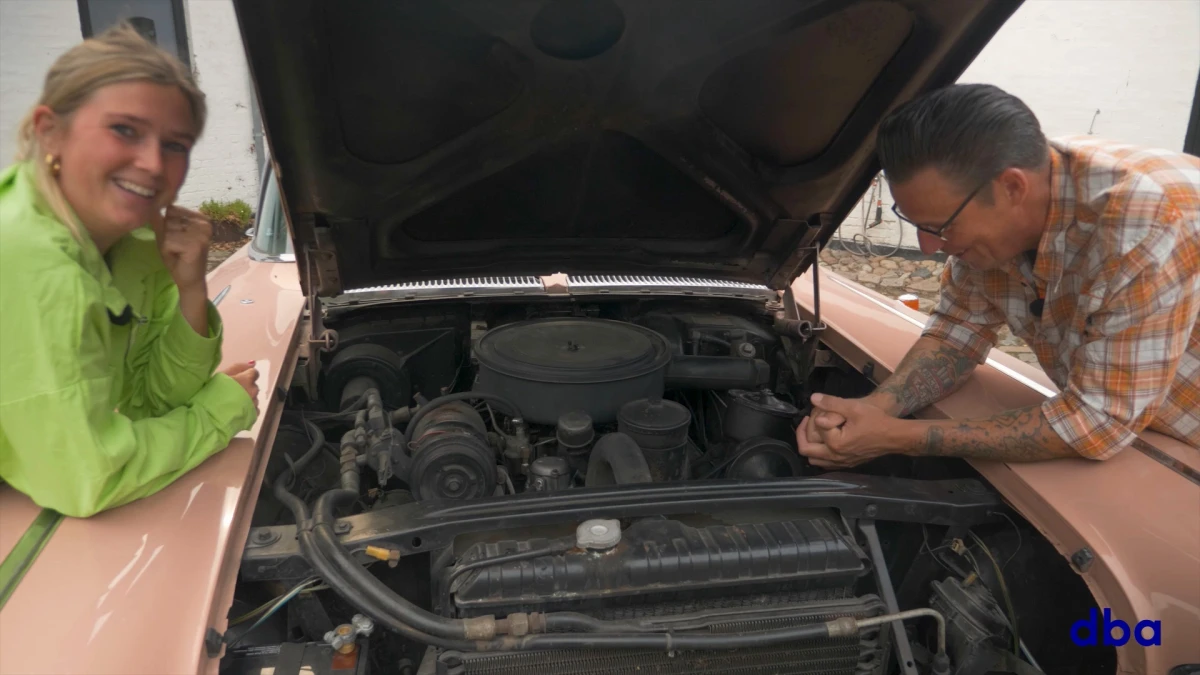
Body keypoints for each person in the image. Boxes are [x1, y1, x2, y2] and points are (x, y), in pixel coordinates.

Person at [798, 83, 1200, 467]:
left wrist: (897, 438)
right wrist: (874, 409)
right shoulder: (990, 197)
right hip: (1140, 419)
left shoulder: (1140, 226)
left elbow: (1097, 423)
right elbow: (957, 332)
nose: (927, 247)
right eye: (916, 224)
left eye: (939, 226)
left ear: (1012, 188)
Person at [0, 24, 260, 517]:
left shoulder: (133, 242)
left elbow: (148, 402)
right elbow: (90, 478)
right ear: (48, 131)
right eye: (124, 130)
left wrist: (189, 288)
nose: (153, 164)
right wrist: (218, 409)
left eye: (176, 145)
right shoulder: (26, 257)